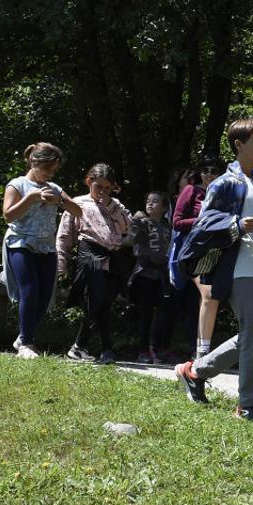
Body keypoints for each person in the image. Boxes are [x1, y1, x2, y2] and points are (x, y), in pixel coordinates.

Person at [176, 119, 253, 420]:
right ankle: (248, 405)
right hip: (237, 267)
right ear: (239, 145)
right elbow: (204, 223)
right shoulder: (225, 183)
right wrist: (233, 225)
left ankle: (195, 372)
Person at [3, 142, 82, 358]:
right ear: (35, 162)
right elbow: (8, 215)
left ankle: (23, 336)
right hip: (21, 244)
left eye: (54, 170)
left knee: (45, 296)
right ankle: (27, 344)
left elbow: (78, 210)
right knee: (30, 290)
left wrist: (60, 201)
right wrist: (32, 198)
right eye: (49, 169)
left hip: (47, 247)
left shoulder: (54, 187)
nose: (51, 173)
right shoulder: (17, 185)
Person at [57, 163, 133, 363]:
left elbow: (128, 226)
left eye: (107, 188)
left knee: (105, 302)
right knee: (95, 298)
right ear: (89, 182)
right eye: (99, 186)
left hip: (113, 256)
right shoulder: (78, 203)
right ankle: (98, 347)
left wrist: (111, 205)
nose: (102, 191)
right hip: (90, 253)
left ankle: (85, 347)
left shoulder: (116, 205)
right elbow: (64, 234)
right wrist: (61, 262)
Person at [174, 155, 226, 362]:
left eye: (214, 171)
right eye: (205, 171)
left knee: (210, 299)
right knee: (207, 294)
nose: (209, 175)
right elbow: (177, 222)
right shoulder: (191, 191)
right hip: (193, 252)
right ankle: (201, 351)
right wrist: (203, 221)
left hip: (216, 251)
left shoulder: (224, 193)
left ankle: (200, 349)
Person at [130, 191, 174, 364]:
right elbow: (130, 239)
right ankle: (143, 350)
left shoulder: (167, 226)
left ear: (164, 208)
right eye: (148, 201)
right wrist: (135, 220)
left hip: (162, 275)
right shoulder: (140, 222)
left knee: (164, 313)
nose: (150, 204)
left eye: (155, 202)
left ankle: (158, 348)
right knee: (145, 314)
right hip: (144, 273)